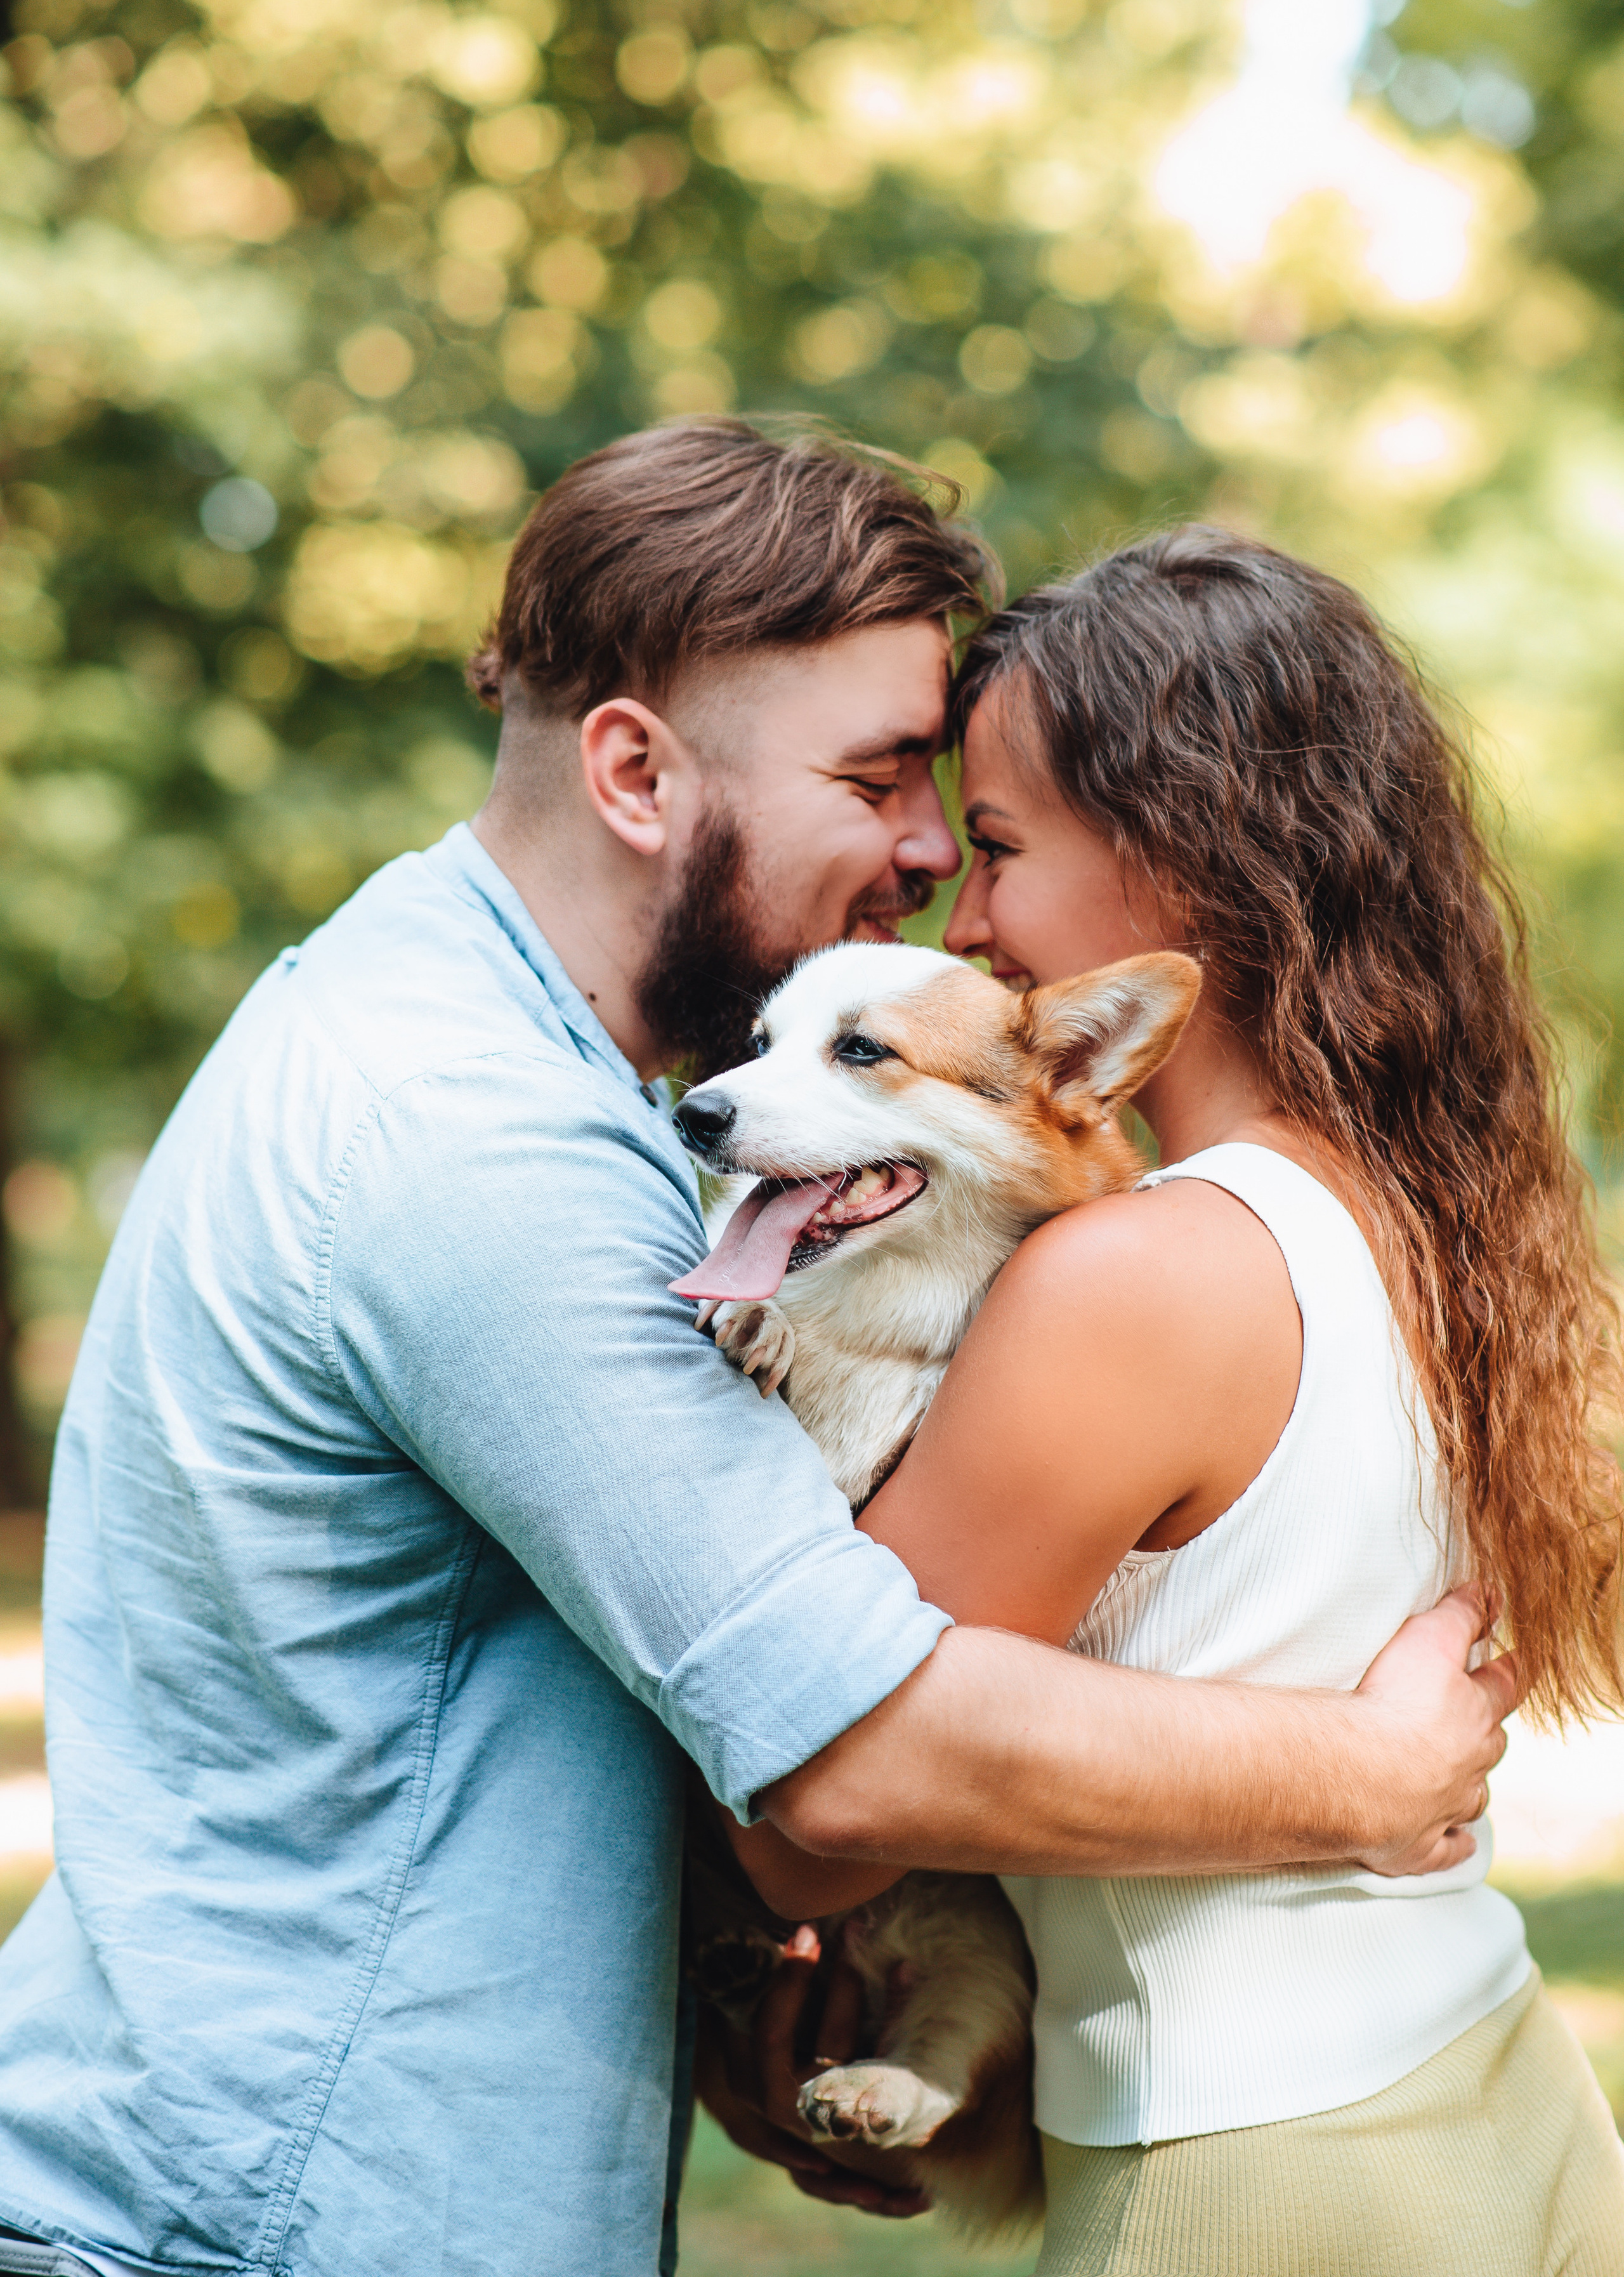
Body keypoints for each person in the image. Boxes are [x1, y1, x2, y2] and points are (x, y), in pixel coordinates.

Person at [0, 435, 1512, 2277]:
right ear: (635, 771)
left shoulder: (517, 1063)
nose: (932, 848)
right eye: (879, 776)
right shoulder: (468, 1144)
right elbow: (851, 1746)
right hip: (272, 2217)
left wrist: (750, 2013)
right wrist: (1372, 1781)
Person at [741, 527, 1623, 2273]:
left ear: (1189, 860)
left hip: (1249, 2163)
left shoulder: (1133, 1275)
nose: (963, 918)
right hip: (1500, 2093)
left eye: (996, 849)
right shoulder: (1433, 1220)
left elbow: (826, 1811)